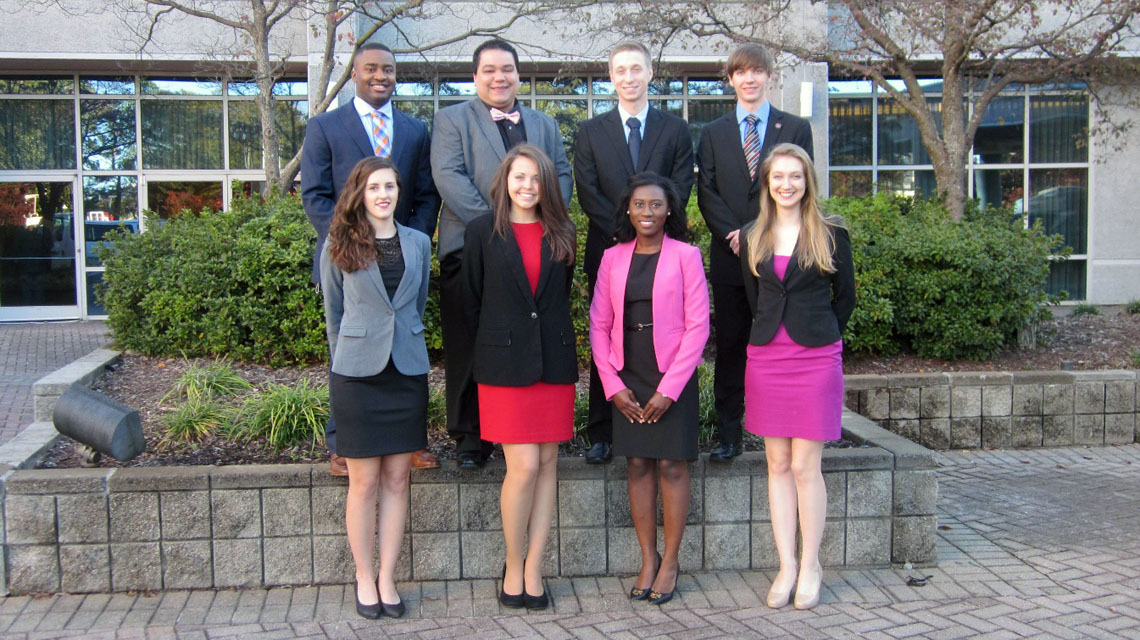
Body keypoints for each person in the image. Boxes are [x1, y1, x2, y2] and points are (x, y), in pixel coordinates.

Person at [432, 38, 573, 469]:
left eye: (507, 69)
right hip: (472, 249)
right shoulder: (451, 120)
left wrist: (547, 215)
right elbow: (449, 176)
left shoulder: (543, 124)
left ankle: (524, 426)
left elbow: (560, 173)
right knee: (469, 342)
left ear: (518, 74)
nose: (499, 77)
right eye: (490, 69)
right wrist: (498, 227)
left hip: (536, 248)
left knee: (526, 336)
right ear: (475, 76)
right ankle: (471, 440)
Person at [302, 41, 441, 475]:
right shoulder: (325, 127)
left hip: (401, 256)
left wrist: (410, 242)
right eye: (371, 69)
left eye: (388, 69)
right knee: (347, 340)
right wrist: (349, 244)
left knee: (403, 335)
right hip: (350, 257)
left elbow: (425, 193)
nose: (380, 76)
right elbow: (315, 195)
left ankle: (408, 442)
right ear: (354, 74)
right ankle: (343, 442)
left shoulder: (415, 130)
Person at [740, 143, 855, 610]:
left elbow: (844, 298)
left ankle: (811, 565)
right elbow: (755, 299)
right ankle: (786, 564)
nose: (786, 184)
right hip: (767, 357)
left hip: (815, 358)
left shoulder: (831, 234)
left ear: (808, 182)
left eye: (796, 176)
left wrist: (819, 334)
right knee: (777, 464)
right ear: (767, 184)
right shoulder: (753, 235)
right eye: (778, 177)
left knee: (807, 466)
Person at [462, 145, 578, 610]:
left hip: (553, 363)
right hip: (504, 367)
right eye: (518, 177)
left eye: (535, 179)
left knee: (548, 466)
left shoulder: (562, 232)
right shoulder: (480, 232)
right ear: (504, 181)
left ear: (546, 184)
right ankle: (513, 563)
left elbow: (557, 297)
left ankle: (535, 568)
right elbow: (470, 302)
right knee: (524, 466)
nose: (526, 186)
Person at [319, 156, 433, 620]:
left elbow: (416, 304)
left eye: (390, 186)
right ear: (360, 194)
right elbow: (333, 315)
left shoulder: (419, 243)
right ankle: (364, 576)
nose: (383, 195)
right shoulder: (338, 243)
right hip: (358, 377)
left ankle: (388, 577)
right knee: (363, 483)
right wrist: (344, 363)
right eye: (374, 188)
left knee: (398, 479)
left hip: (405, 374)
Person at [589, 173, 710, 606]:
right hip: (628, 373)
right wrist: (612, 384)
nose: (647, 212)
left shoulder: (687, 256)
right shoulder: (612, 258)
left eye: (656, 205)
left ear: (669, 210)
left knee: (673, 466)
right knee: (638, 462)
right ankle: (647, 558)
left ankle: (672, 562)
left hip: (670, 375)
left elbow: (698, 327)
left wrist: (671, 389)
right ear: (628, 209)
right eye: (639, 204)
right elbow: (599, 325)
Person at [574, 41, 695, 465]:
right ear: (612, 77)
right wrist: (625, 238)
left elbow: (679, 187)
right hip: (608, 251)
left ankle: (662, 416)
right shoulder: (590, 132)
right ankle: (602, 433)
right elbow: (588, 192)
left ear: (649, 74)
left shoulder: (675, 129)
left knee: (659, 338)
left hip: (662, 254)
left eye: (636, 69)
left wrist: (650, 231)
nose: (628, 77)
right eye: (620, 70)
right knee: (607, 337)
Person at [697, 42, 814, 463]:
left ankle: (778, 426)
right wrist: (736, 233)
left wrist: (759, 234)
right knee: (731, 344)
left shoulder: (795, 128)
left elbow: (801, 187)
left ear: (769, 76)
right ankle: (729, 433)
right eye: (741, 72)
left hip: (781, 258)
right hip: (730, 257)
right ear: (731, 80)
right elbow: (705, 191)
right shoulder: (711, 133)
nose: (749, 79)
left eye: (757, 71)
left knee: (777, 343)